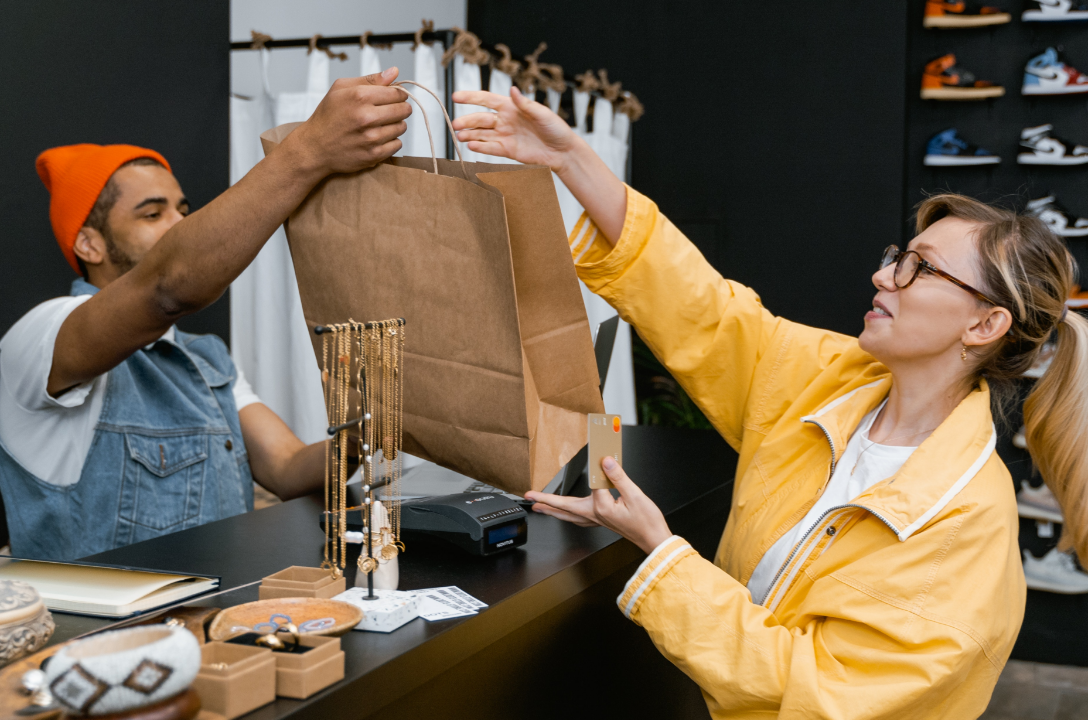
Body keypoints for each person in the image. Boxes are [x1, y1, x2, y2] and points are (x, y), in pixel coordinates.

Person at [452, 86, 1088, 718]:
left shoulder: (967, 525)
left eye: (918, 269)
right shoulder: (833, 380)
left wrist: (663, 554)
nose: (883, 275)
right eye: (898, 257)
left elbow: (821, 697)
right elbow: (700, 310)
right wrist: (570, 159)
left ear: (984, 326)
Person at [0, 69, 412, 561]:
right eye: (152, 214)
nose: (179, 224)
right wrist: (309, 151)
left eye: (182, 209)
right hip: (101, 635)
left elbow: (289, 469)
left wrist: (375, 416)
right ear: (89, 243)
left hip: (212, 626)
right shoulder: (40, 336)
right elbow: (167, 287)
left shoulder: (205, 360)